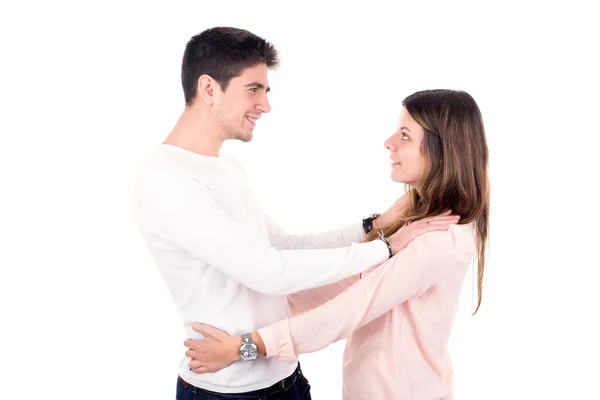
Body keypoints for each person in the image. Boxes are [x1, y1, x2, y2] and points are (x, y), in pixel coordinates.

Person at [134, 27, 458, 399]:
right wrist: (385, 247)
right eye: (253, 89)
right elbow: (268, 270)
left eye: (266, 91)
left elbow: (285, 245)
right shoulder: (167, 181)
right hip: (226, 392)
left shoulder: (225, 169)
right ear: (209, 88)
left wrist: (370, 226)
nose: (265, 105)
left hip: (287, 381)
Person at [183, 89, 490, 400]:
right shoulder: (414, 217)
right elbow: (349, 281)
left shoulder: (441, 239)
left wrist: (245, 346)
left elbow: (351, 308)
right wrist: (262, 303)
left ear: (442, 151)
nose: (389, 142)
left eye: (405, 135)